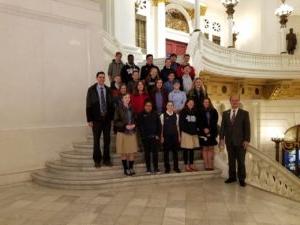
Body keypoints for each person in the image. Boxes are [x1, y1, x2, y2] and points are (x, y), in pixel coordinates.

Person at [219, 95, 251, 187]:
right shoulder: (225, 113)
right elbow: (223, 128)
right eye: (233, 100)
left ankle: (242, 179)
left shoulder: (244, 113)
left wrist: (247, 140)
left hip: (241, 142)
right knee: (231, 160)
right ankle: (232, 177)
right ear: (230, 101)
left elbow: (247, 128)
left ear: (239, 101)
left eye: (236, 100)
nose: (235, 102)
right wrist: (221, 139)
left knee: (241, 161)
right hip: (229, 142)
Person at [86, 72, 113, 168]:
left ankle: (106, 160)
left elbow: (111, 105)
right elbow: (88, 105)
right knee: (96, 140)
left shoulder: (108, 90)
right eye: (100, 77)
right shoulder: (91, 90)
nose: (102, 79)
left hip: (107, 119)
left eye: (103, 77)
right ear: (97, 78)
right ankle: (97, 160)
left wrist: (111, 118)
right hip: (96, 119)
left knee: (107, 140)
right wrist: (89, 119)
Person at [114, 93, 138, 176]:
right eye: (125, 97)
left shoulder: (132, 108)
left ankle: (131, 167)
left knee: (132, 152)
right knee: (123, 152)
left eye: (128, 97)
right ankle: (125, 169)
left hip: (131, 132)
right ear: (122, 99)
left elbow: (135, 118)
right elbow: (116, 122)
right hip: (122, 132)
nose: (127, 99)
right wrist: (125, 126)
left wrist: (134, 124)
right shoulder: (118, 108)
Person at [137, 100, 161, 174]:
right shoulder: (141, 114)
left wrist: (157, 135)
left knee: (155, 154)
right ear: (144, 106)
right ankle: (148, 169)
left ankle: (156, 168)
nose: (148, 107)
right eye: (147, 105)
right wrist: (143, 136)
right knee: (147, 154)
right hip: (145, 138)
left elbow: (159, 125)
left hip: (154, 137)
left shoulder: (155, 113)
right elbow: (140, 126)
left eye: (150, 106)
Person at [160, 101, 181, 173]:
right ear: (166, 106)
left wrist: (179, 136)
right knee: (166, 153)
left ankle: (176, 167)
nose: (170, 107)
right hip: (166, 137)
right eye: (169, 105)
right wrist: (161, 137)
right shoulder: (162, 115)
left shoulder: (177, 115)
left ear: (173, 107)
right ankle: (167, 168)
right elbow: (161, 127)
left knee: (175, 153)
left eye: (171, 105)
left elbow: (178, 127)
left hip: (174, 136)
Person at [179, 99, 200, 172]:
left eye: (192, 103)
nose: (191, 104)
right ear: (186, 103)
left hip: (193, 133)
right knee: (186, 149)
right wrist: (189, 131)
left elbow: (197, 122)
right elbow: (181, 123)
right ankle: (186, 165)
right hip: (186, 133)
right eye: (190, 102)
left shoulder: (195, 112)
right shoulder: (183, 111)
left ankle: (191, 164)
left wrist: (196, 130)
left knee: (192, 149)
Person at [199, 98, 219, 171]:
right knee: (204, 148)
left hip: (212, 131)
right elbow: (199, 122)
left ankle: (210, 165)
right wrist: (204, 129)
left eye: (207, 102)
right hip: (203, 132)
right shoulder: (200, 111)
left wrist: (209, 130)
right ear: (203, 103)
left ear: (209, 103)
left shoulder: (214, 111)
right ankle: (206, 165)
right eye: (205, 102)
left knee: (211, 148)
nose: (206, 103)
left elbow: (215, 121)